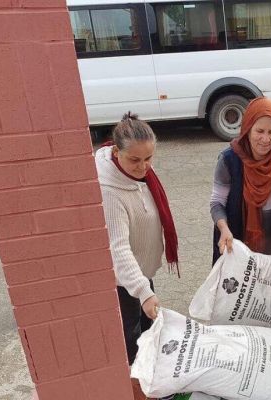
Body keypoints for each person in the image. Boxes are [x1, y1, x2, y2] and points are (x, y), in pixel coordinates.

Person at [95, 113, 179, 365]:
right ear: (116, 151)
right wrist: (144, 292)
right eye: (135, 160)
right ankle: (134, 379)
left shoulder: (142, 176)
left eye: (148, 158)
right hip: (124, 280)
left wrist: (145, 288)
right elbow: (118, 248)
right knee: (131, 339)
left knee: (148, 332)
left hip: (141, 271)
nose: (143, 167)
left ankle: (147, 373)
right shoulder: (110, 191)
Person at [210, 97, 271, 261]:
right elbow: (217, 203)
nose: (266, 139)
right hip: (236, 243)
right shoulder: (229, 160)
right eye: (260, 131)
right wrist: (224, 228)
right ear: (248, 129)